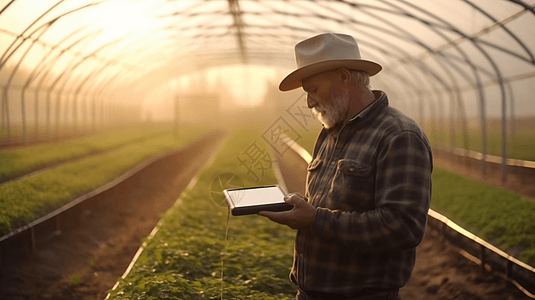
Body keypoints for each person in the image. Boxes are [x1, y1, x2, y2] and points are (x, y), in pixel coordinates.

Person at [258, 33, 433, 300]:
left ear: (343, 77)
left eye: (313, 90)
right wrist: (303, 209)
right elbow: (333, 205)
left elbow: (402, 226)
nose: (309, 102)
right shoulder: (330, 131)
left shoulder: (399, 136)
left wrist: (315, 219)